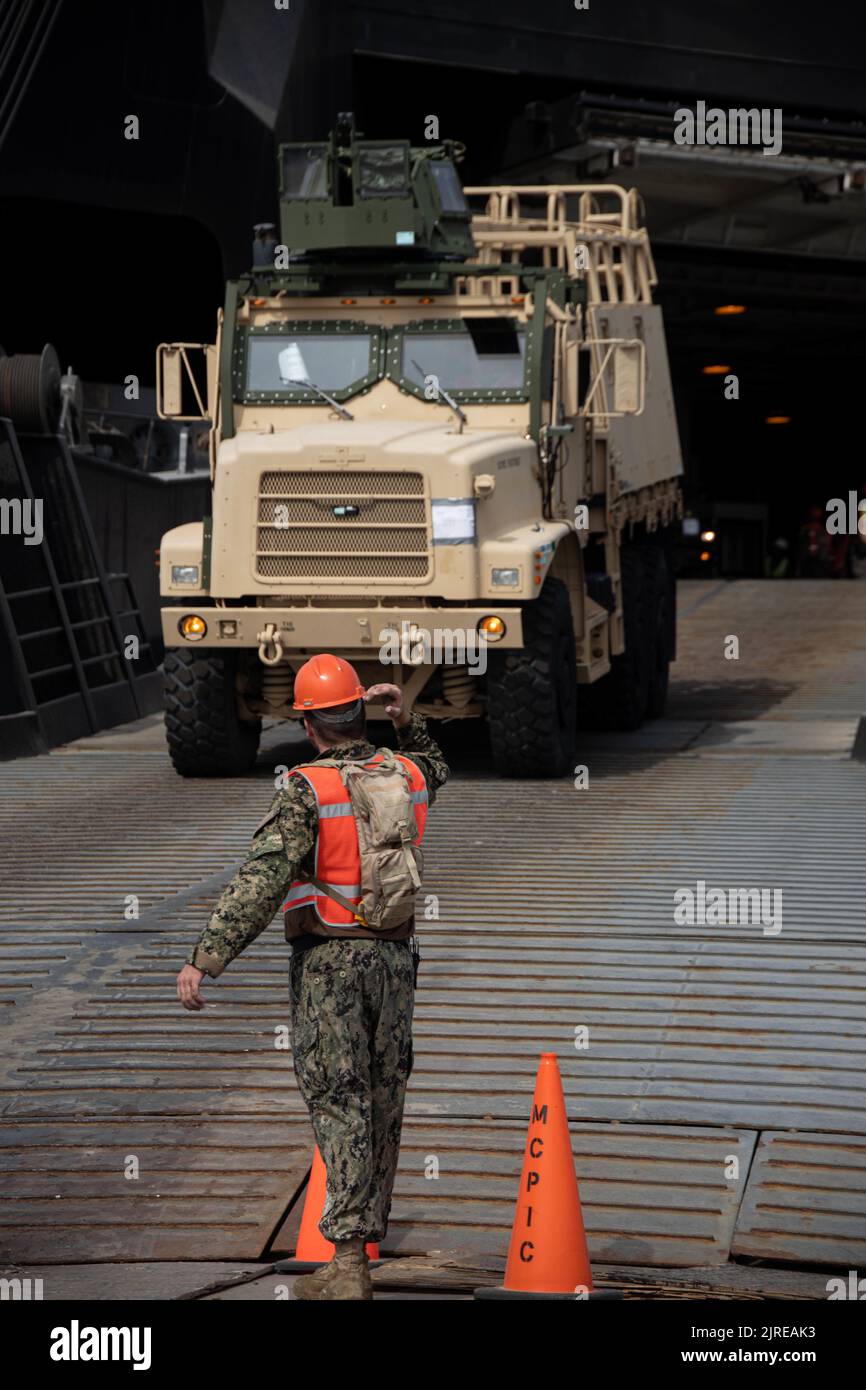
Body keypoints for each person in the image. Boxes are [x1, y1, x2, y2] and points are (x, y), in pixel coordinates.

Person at [176, 655, 448, 1299]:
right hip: (395, 958)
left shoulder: (305, 787)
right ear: (358, 709)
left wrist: (207, 956)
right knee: (384, 1094)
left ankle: (349, 1261)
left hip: (329, 962)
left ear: (307, 721)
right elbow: (437, 767)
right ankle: (361, 1239)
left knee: (338, 1094)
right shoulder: (405, 772)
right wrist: (406, 721)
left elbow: (262, 877)